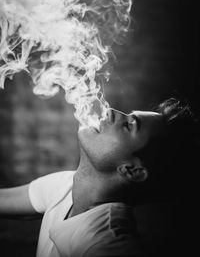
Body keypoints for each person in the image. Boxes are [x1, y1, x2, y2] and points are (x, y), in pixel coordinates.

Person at [0, 98, 197, 257]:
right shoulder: (66, 186)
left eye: (129, 125)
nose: (111, 111)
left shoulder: (106, 244)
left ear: (132, 171)